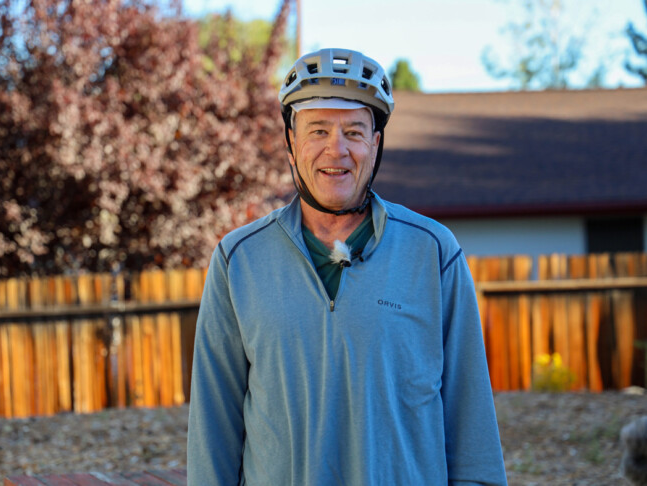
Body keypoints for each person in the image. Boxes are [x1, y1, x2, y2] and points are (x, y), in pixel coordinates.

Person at [187, 48, 508, 485]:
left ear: (374, 145)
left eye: (353, 132)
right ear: (291, 143)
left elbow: (471, 426)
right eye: (318, 130)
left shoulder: (433, 253)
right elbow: (214, 431)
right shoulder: (238, 260)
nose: (335, 150)